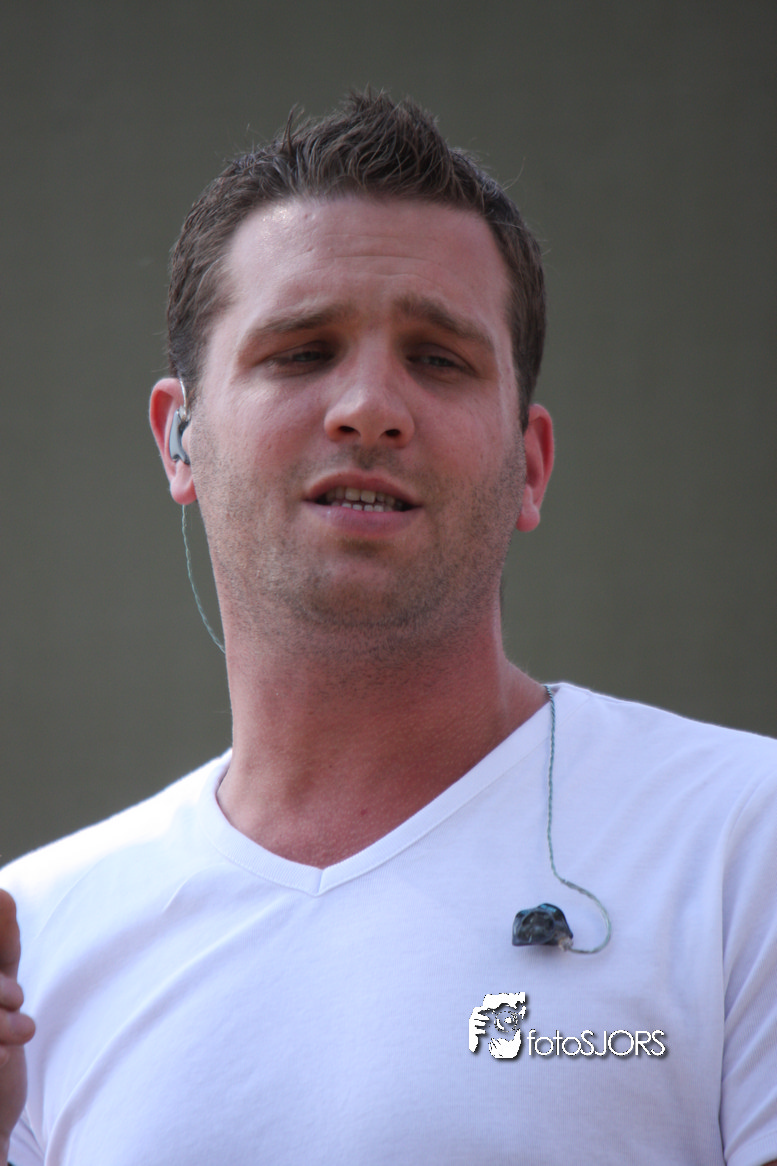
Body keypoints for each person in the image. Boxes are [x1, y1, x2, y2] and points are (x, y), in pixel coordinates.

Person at [1, 91, 776, 1165]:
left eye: (439, 358)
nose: (369, 406)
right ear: (179, 440)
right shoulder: (35, 944)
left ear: (530, 466)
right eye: (300, 350)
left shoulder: (745, 843)